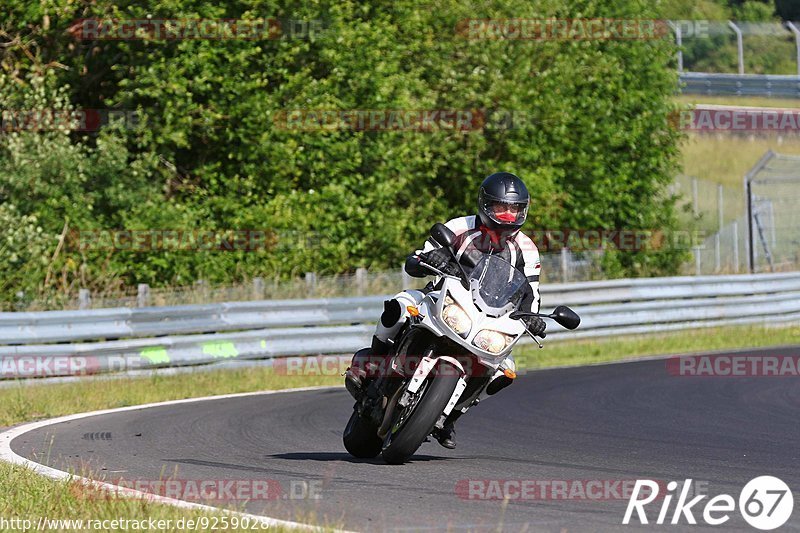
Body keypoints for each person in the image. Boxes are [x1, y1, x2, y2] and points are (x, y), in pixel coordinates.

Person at [345, 171, 545, 449]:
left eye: (515, 209)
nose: (508, 215)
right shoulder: (460, 226)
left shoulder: (528, 249)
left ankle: (451, 415)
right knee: (400, 304)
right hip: (443, 299)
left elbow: (531, 295)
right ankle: (373, 361)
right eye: (502, 207)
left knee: (505, 371)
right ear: (486, 205)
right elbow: (416, 258)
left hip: (487, 319)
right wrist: (428, 258)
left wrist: (534, 317)